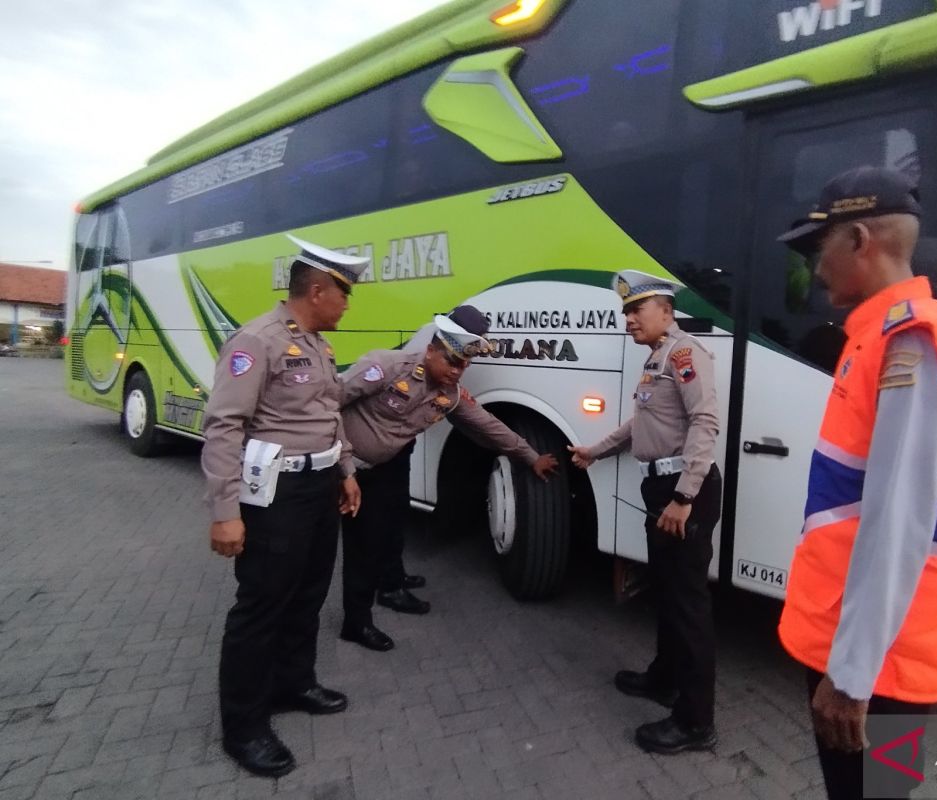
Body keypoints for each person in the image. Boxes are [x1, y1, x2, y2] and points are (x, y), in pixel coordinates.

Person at [775, 166, 937, 799]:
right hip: (880, 645)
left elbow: (898, 520)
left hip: (881, 660)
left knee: (870, 793)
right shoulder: (881, 334)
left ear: (860, 239)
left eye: (821, 249)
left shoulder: (910, 342)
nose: (816, 270)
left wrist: (850, 676)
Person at [202, 235, 367, 777]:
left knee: (308, 592)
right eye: (343, 295)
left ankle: (294, 683)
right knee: (262, 604)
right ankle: (244, 726)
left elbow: (327, 413)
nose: (347, 305)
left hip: (319, 489)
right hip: (276, 494)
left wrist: (344, 470)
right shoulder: (258, 340)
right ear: (317, 291)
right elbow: (224, 425)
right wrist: (225, 511)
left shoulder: (318, 343)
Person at [337, 306, 559, 651]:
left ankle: (384, 592)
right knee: (358, 547)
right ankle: (356, 622)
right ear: (430, 351)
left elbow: (488, 426)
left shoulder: (448, 394)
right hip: (345, 470)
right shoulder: (387, 366)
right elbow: (327, 404)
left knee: (387, 530)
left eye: (464, 365)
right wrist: (341, 464)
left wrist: (530, 456)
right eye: (452, 363)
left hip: (386, 467)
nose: (458, 372)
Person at [568, 270, 722, 755]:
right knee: (668, 591)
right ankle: (664, 678)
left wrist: (683, 496)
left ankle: (696, 723)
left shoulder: (684, 354)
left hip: (681, 493)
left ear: (666, 311)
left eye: (637, 309)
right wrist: (595, 450)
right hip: (662, 488)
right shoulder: (657, 359)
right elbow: (643, 423)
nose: (628, 319)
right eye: (626, 311)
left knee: (688, 605)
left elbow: (705, 420)